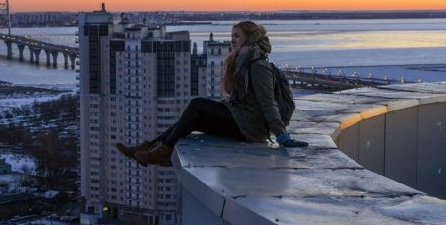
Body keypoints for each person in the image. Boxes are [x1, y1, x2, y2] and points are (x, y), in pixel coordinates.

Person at [116, 21, 308, 167]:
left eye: (237, 37)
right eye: (232, 35)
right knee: (193, 118)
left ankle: (162, 152)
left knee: (197, 105)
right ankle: (148, 148)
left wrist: (282, 136)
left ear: (249, 40)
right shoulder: (242, 62)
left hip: (251, 128)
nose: (232, 40)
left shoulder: (258, 66)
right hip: (242, 121)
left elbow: (268, 103)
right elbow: (236, 101)